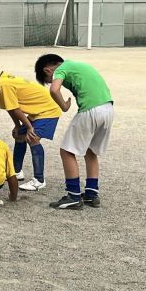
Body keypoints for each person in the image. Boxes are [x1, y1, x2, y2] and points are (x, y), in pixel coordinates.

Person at [34, 54, 114, 210]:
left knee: (66, 151)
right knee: (91, 151)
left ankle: (73, 196)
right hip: (108, 108)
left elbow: (54, 89)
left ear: (48, 70)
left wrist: (63, 106)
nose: (55, 80)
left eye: (49, 78)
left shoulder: (61, 69)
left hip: (91, 110)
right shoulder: (78, 65)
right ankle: (91, 194)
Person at [0, 65, 62, 192]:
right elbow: (11, 108)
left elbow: (15, 109)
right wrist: (18, 126)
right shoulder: (3, 81)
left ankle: (39, 180)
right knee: (19, 136)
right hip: (38, 112)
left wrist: (29, 128)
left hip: (48, 111)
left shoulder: (4, 85)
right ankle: (16, 172)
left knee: (32, 138)